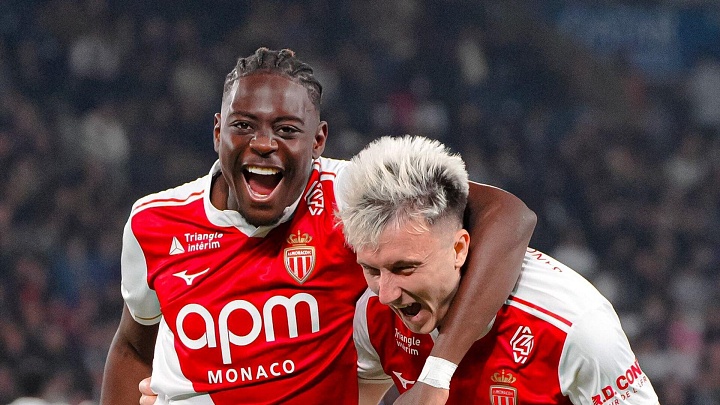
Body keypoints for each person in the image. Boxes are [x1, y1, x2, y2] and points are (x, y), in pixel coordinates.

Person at [102, 48, 536, 404]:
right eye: (243, 126)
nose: (263, 143)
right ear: (218, 132)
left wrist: (437, 374)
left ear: (318, 141)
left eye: (287, 130)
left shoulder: (351, 193)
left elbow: (509, 216)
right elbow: (132, 347)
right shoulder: (152, 222)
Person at [338, 135, 660, 405]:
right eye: (372, 270)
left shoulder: (575, 330)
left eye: (404, 268)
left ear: (458, 249)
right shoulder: (373, 315)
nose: (386, 294)